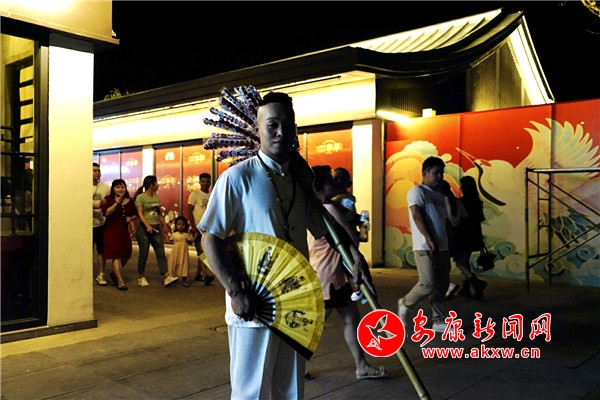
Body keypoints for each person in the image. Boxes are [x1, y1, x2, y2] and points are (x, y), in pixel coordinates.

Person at [199, 92, 375, 399]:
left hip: (295, 300)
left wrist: (355, 257)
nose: (281, 132)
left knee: (292, 390)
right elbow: (209, 237)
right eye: (272, 125)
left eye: (288, 125)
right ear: (258, 129)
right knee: (250, 392)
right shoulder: (237, 178)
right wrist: (235, 291)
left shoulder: (299, 181)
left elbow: (326, 228)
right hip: (254, 302)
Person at [307, 165, 387, 380]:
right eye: (330, 180)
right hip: (329, 277)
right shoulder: (329, 208)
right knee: (313, 327)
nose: (335, 183)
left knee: (351, 319)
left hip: (328, 274)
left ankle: (362, 366)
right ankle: (294, 366)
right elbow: (351, 237)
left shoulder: (311, 209)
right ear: (320, 186)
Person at [397, 156, 457, 334]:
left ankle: (439, 321)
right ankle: (405, 303)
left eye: (441, 173)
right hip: (424, 246)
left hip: (442, 246)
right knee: (428, 283)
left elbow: (446, 221)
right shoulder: (417, 191)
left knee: (442, 285)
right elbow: (417, 215)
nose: (439, 176)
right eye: (435, 172)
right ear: (424, 173)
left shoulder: (439, 196)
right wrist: (428, 238)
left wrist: (449, 241)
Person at [134, 175, 178, 287]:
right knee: (144, 253)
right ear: (151, 185)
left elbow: (159, 213)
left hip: (156, 228)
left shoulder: (156, 197)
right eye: (156, 183)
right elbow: (140, 213)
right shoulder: (140, 198)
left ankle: (166, 275)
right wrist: (147, 226)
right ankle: (141, 276)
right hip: (144, 229)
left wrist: (164, 225)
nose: (158, 185)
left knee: (160, 252)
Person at [448, 176, 488, 300]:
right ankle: (467, 289)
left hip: (463, 236)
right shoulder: (477, 202)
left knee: (459, 261)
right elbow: (480, 218)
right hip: (474, 235)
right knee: (464, 261)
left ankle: (476, 282)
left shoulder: (461, 202)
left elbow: (458, 220)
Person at [101, 179, 138, 291]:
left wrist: (130, 218)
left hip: (123, 231)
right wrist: (117, 202)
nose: (121, 189)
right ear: (113, 189)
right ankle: (120, 281)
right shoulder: (108, 199)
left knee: (126, 254)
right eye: (118, 187)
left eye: (122, 187)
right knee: (116, 255)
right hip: (111, 231)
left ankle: (114, 273)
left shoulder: (129, 201)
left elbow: (135, 214)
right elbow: (107, 212)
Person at [187, 172, 215, 285]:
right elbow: (189, 211)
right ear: (199, 182)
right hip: (198, 228)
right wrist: (193, 226)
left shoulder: (212, 195)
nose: (205, 183)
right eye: (203, 181)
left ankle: (198, 274)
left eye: (207, 181)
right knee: (201, 251)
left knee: (204, 251)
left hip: (209, 228)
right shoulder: (194, 195)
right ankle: (206, 274)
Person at [93, 163, 111, 286]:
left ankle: (101, 274)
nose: (97, 173)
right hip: (86, 224)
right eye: (94, 170)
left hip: (101, 223)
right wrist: (95, 205)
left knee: (101, 250)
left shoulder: (105, 188)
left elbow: (108, 204)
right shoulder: (82, 187)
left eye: (98, 170)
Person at [330, 167, 361, 239]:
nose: (339, 182)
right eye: (335, 179)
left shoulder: (347, 199)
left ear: (349, 184)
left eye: (343, 179)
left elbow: (349, 213)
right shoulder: (332, 197)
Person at [167, 216, 197, 287]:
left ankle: (184, 280)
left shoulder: (186, 235)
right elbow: (169, 241)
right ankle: (172, 277)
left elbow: (190, 242)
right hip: (175, 252)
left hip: (183, 253)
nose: (181, 226)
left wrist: (195, 236)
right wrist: (166, 234)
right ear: (176, 225)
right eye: (178, 224)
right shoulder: (174, 234)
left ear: (185, 225)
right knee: (174, 263)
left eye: (183, 224)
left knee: (184, 264)